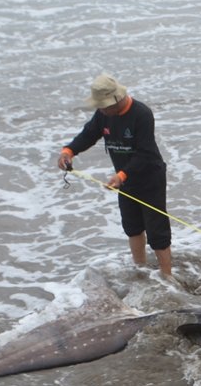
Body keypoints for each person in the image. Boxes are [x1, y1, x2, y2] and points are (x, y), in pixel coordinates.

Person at [58, 73, 172, 278]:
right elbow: (89, 134)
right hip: (125, 181)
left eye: (103, 105)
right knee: (132, 228)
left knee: (158, 233)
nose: (101, 109)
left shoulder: (141, 114)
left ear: (117, 98)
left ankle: (167, 278)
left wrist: (121, 175)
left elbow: (145, 153)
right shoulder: (104, 114)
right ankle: (140, 271)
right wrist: (69, 151)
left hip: (150, 178)